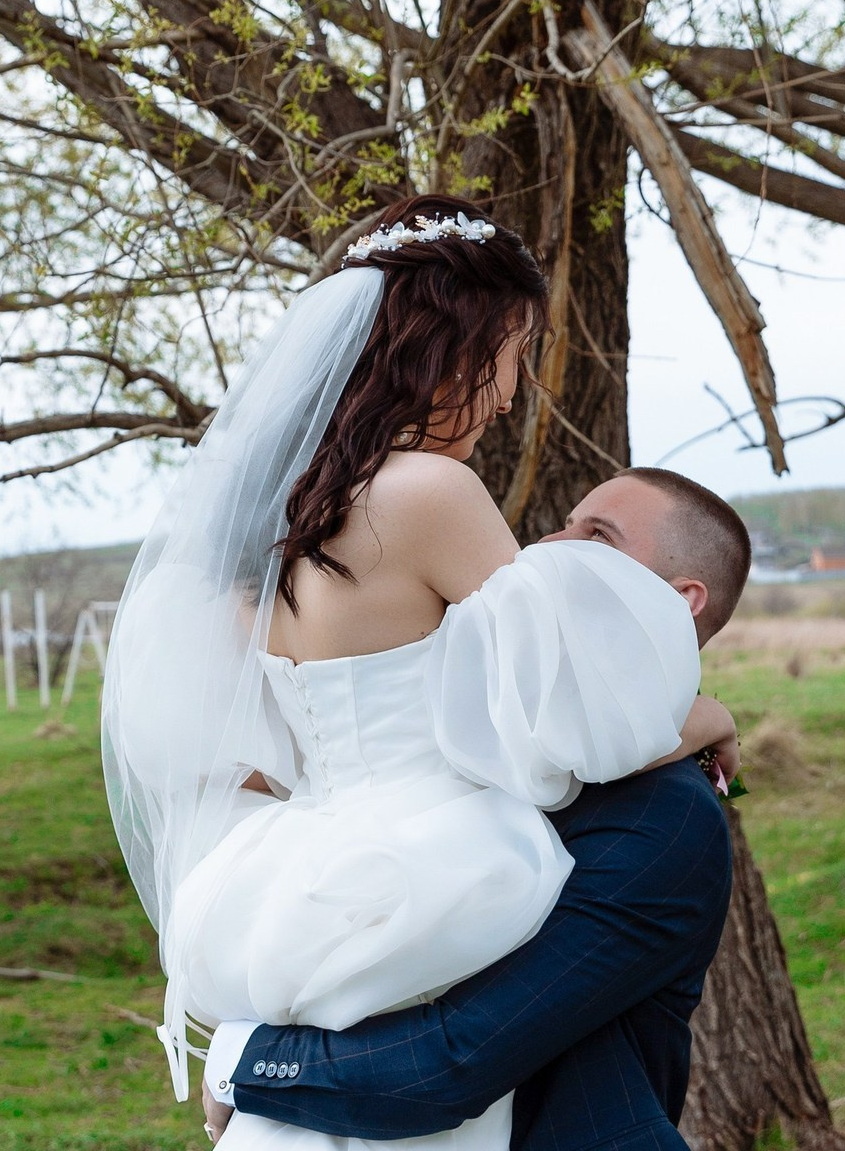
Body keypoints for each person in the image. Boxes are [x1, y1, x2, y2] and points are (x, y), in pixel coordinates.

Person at [101, 195, 740, 1149]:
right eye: (517, 354)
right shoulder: (431, 494)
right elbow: (563, 727)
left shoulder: (275, 526)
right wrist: (709, 712)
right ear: (459, 342)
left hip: (302, 868)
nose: (514, 393)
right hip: (425, 864)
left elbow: (243, 750)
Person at [200, 468, 752, 1149]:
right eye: (564, 521)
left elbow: (449, 1063)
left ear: (680, 601)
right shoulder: (495, 736)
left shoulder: (666, 820)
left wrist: (245, 1063)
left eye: (596, 536)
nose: (551, 544)